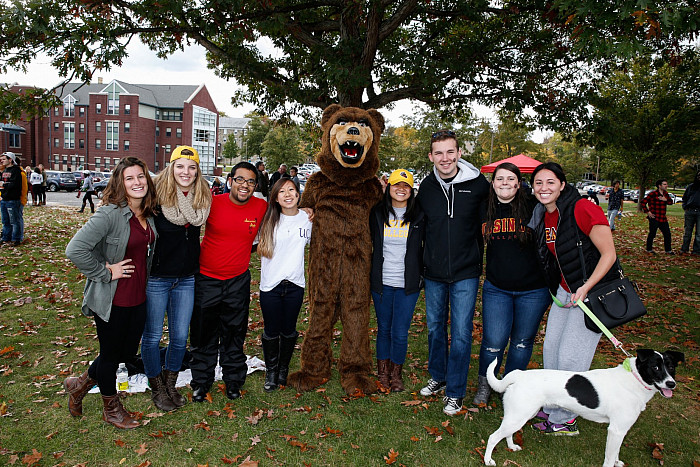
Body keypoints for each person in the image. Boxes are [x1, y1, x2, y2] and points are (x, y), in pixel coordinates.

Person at [63, 157, 157, 429]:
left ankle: (79, 385)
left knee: (124, 354)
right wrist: (106, 271)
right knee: (110, 355)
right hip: (112, 298)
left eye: (141, 176)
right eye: (130, 178)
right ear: (120, 183)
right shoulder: (109, 214)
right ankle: (111, 408)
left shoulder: (148, 214)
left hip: (138, 297)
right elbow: (75, 249)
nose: (137, 182)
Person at [528, 162, 617, 435]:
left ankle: (565, 419)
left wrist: (587, 287)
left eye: (550, 182)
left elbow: (609, 254)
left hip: (591, 293)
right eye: (539, 183)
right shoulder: (544, 214)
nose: (544, 188)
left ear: (562, 185)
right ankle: (554, 404)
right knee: (551, 351)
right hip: (566, 291)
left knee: (571, 359)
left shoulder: (582, 208)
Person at [416, 130, 490, 415]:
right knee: (435, 329)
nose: (445, 158)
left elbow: (498, 216)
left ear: (459, 153)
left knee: (460, 333)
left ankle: (456, 391)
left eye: (450, 152)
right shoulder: (427, 188)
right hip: (433, 272)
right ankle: (439, 376)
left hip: (466, 272)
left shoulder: (478, 185)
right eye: (439, 153)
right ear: (431, 156)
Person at [472, 162, 550, 406]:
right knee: (493, 342)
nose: (504, 183)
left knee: (521, 342)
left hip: (533, 290)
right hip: (497, 288)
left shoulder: (533, 205)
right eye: (499, 179)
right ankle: (485, 383)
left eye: (510, 179)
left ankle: (513, 387)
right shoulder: (484, 207)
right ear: (492, 183)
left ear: (518, 183)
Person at [189, 161, 267, 402]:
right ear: (230, 181)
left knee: (234, 334)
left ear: (255, 185)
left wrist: (307, 210)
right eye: (240, 179)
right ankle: (201, 382)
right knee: (203, 334)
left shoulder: (262, 207)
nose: (245, 185)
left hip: (237, 281)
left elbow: (287, 214)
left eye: (251, 181)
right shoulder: (212, 203)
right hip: (207, 279)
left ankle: (233, 381)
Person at [142, 146, 212, 411]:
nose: (186, 172)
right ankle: (157, 386)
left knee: (181, 337)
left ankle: (170, 382)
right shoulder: (155, 195)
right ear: (171, 168)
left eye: (191, 167)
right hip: (157, 278)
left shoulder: (202, 197)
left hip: (187, 278)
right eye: (180, 166)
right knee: (152, 336)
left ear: (197, 171)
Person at [370, 169, 424, 392]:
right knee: (384, 329)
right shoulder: (377, 213)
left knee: (400, 331)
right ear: (388, 187)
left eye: (406, 186)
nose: (401, 189)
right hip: (381, 282)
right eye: (396, 185)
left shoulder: (420, 215)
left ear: (411, 191)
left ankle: (396, 374)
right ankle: (382, 373)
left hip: (407, 284)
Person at [257, 178, 312, 391]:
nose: (287, 194)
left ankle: (283, 370)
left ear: (298, 194)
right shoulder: (268, 219)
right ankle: (271, 372)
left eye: (291, 190)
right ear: (276, 197)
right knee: (271, 330)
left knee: (289, 330)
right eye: (282, 191)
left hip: (295, 284)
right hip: (271, 284)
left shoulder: (308, 219)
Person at [640, 179, 674, 254]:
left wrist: (665, 200)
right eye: (664, 184)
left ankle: (668, 250)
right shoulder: (653, 194)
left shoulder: (666, 194)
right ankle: (649, 249)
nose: (666, 186)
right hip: (654, 217)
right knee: (652, 233)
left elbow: (671, 202)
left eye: (666, 184)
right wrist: (648, 212)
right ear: (659, 186)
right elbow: (643, 202)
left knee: (667, 234)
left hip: (663, 217)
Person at [0, 152, 24, 246]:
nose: (2, 161)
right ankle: (6, 237)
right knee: (5, 221)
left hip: (13, 200)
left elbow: (15, 185)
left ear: (10, 160)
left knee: (14, 220)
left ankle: (16, 239)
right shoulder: (5, 170)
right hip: (4, 199)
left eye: (4, 159)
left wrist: (4, 185)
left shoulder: (16, 171)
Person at [680, 171, 700, 255]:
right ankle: (684, 249)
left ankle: (696, 251)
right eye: (699, 175)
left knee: (699, 234)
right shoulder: (691, 187)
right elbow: (684, 198)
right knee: (687, 232)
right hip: (690, 211)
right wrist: (685, 207)